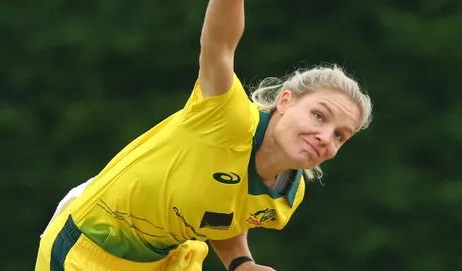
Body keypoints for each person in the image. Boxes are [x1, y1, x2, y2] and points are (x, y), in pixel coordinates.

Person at [35, 0, 373, 270]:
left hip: (169, 258)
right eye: (318, 115)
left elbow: (222, 216)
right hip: (91, 248)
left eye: (340, 135)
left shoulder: (285, 197)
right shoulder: (227, 118)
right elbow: (219, 45)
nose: (324, 137)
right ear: (285, 100)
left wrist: (242, 263)